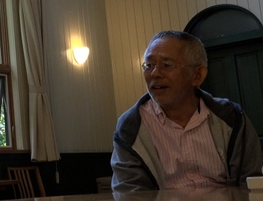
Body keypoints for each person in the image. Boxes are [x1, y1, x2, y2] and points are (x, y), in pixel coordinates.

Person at [111, 30, 263, 192]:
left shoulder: (231, 118)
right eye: (149, 65)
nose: (155, 74)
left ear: (197, 75)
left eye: (167, 65)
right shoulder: (131, 127)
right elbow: (131, 195)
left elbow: (251, 182)